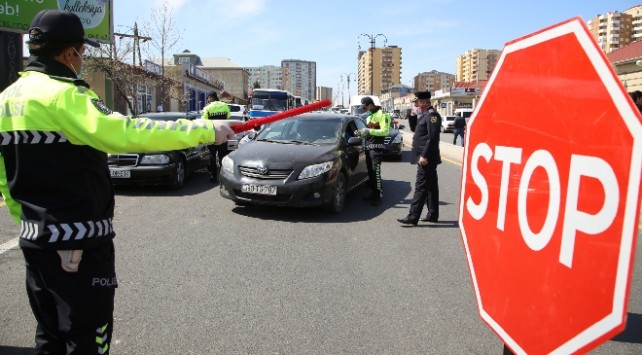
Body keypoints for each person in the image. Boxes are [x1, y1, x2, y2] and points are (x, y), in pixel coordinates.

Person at [0, 10, 235, 355]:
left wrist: (31, 224)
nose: (82, 59)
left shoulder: (7, 99)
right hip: (78, 244)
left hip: (36, 243)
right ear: (69, 53)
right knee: (88, 338)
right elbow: (125, 133)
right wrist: (204, 130)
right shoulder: (65, 95)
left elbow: (5, 178)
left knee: (49, 336)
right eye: (81, 50)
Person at [398, 91, 442, 226]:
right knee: (431, 187)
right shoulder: (423, 115)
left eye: (416, 102)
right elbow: (414, 129)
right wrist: (412, 114)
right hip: (424, 156)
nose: (414, 104)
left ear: (423, 102)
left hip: (426, 157)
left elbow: (432, 138)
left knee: (421, 186)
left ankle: (413, 216)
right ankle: (432, 214)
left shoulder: (432, 115)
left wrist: (424, 155)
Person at [354, 96, 390, 206]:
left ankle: (378, 196)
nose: (364, 110)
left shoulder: (383, 115)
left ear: (370, 105)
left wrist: (369, 131)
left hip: (376, 149)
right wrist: (361, 133)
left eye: (365, 108)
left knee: (376, 173)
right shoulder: (370, 116)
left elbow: (385, 131)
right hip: (368, 148)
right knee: (370, 174)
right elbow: (368, 133)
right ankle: (373, 193)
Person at [202, 92, 231, 183]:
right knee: (223, 156)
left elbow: (204, 122)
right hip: (223, 135)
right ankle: (224, 177)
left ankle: (213, 177)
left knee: (212, 157)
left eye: (208, 98)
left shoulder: (207, 108)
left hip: (212, 135)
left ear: (210, 97)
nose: (208, 100)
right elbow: (228, 118)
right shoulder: (225, 105)